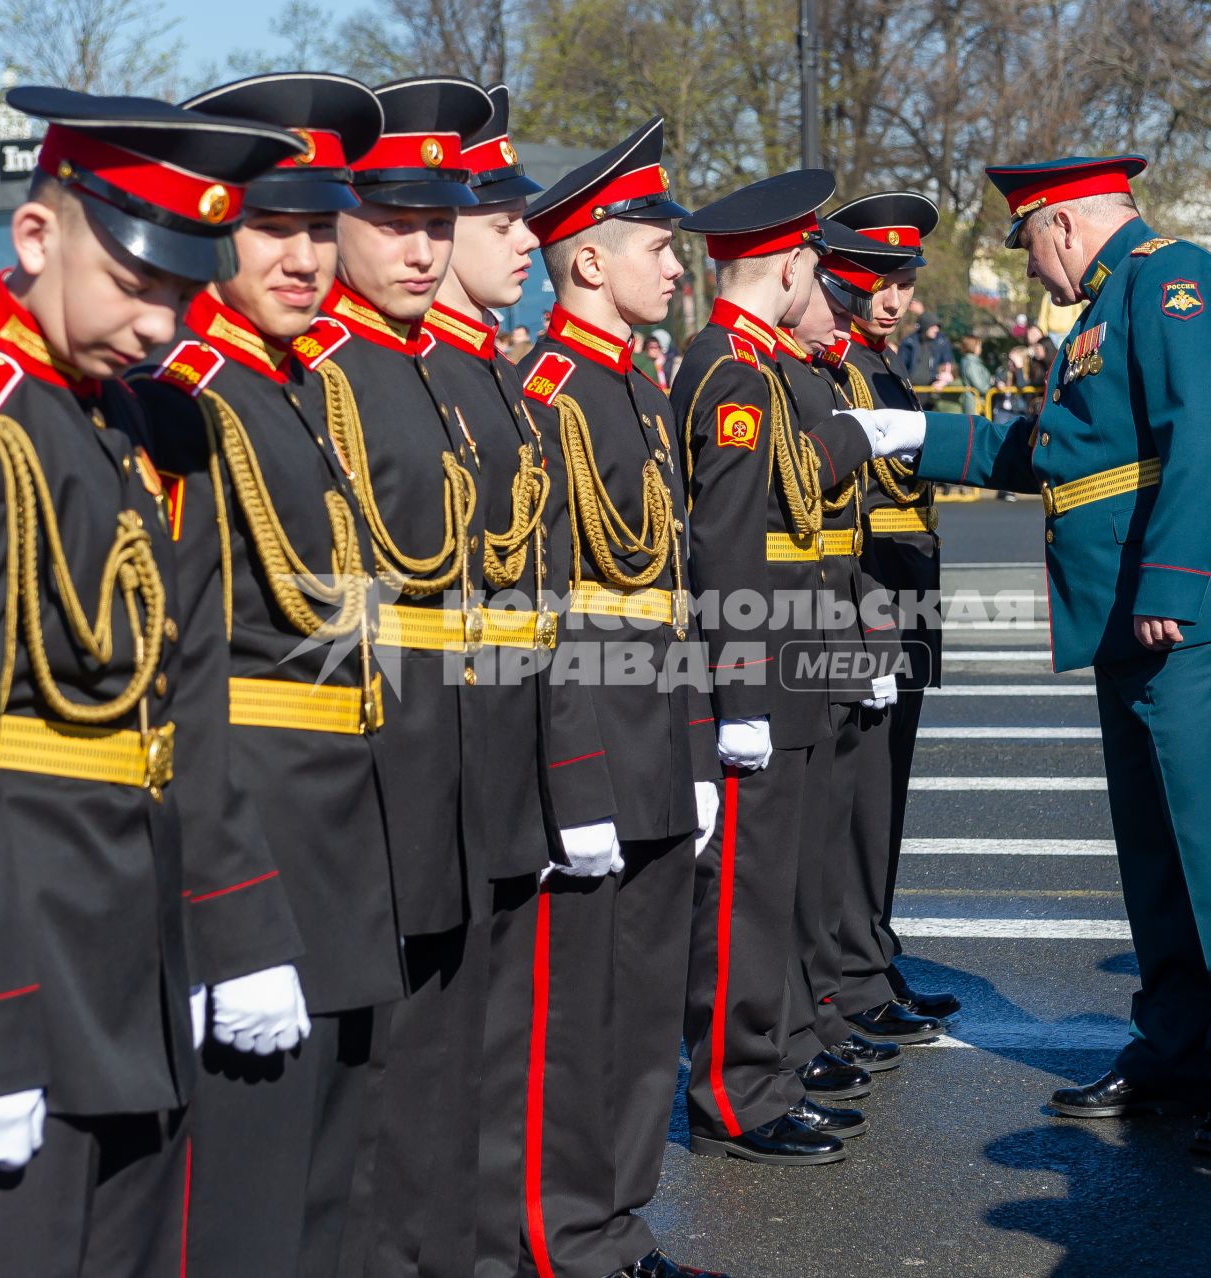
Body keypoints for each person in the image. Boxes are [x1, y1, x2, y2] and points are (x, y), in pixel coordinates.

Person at [0, 88, 304, 1276]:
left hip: (138, 945)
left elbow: (187, 707)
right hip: (19, 961)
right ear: (38, 239)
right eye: (132, 281)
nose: (160, 323)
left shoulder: (148, 424)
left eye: (179, 291)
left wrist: (237, 928)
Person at [878, 153, 1211, 1156]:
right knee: (1157, 858)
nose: (1030, 269)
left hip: (1191, 616)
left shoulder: (1173, 278)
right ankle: (1175, 1052)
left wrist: (1173, 582)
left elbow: (1207, 430)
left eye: (1028, 242)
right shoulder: (1111, 309)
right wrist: (911, 436)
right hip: (1131, 618)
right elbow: (1059, 451)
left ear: (1063, 224)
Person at [123, 72, 384, 1277]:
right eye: (272, 226)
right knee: (241, 1206)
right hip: (259, 844)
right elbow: (177, 679)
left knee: (325, 1187)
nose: (304, 256)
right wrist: (228, 920)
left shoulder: (291, 388)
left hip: (337, 837)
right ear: (208, 226)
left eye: (321, 227)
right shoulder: (182, 402)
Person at [295, 76, 499, 1276]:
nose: (426, 248)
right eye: (394, 222)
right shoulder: (323, 370)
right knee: (364, 1095)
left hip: (451, 750)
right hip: (367, 762)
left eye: (441, 222)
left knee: (437, 1068)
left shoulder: (420, 366)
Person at [517, 116, 724, 1278]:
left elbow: (678, 597)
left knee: (648, 1010)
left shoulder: (639, 395)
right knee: (579, 1019)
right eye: (657, 245)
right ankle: (567, 1234)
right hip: (591, 730)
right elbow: (544, 612)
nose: (675, 267)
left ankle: (619, 1225)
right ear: (589, 260)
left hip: (657, 726)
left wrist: (694, 751)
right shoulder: (546, 391)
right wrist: (577, 779)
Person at [672, 171, 900, 1171]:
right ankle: (737, 1085)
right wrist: (740, 692)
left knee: (788, 877)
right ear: (789, 263)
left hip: (805, 643)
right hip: (765, 652)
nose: (827, 280)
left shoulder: (765, 367)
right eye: (813, 260)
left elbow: (817, 536)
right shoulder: (727, 369)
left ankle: (779, 1057)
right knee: (746, 891)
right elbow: (728, 546)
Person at [413, 82, 569, 1278]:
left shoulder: (483, 379)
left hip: (497, 762)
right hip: (424, 779)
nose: (530, 239)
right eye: (505, 218)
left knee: (495, 1057)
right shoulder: (409, 379)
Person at [820, 191, 958, 1037]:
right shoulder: (840, 366)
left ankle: (872, 951)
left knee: (887, 796)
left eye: (902, 281)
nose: (893, 299)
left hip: (908, 592)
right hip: (871, 590)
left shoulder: (883, 363)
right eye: (877, 280)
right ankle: (852, 975)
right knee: (859, 798)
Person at [898, 315, 953, 392]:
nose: (936, 329)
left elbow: (947, 365)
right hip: (910, 389)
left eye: (938, 326)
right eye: (933, 326)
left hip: (932, 389)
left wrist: (943, 381)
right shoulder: (908, 343)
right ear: (925, 326)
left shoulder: (941, 342)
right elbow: (900, 367)